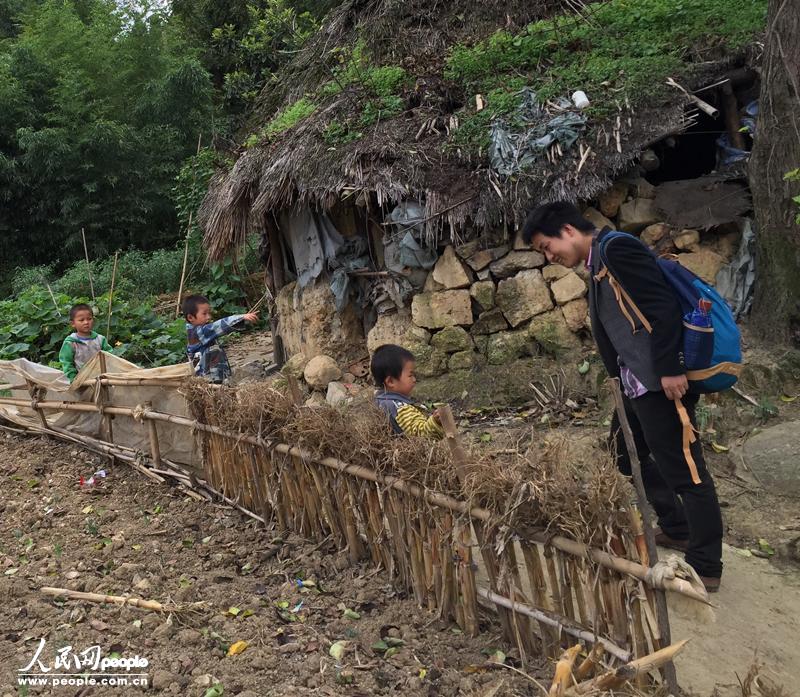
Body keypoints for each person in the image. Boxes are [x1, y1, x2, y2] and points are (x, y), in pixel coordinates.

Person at [521, 201, 723, 591]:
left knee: (687, 471)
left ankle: (706, 563)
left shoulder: (618, 249)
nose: (549, 256)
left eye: (547, 246)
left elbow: (662, 309)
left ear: (567, 230)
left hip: (659, 382)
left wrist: (670, 369)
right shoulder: (598, 262)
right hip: (634, 385)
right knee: (624, 454)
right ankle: (676, 527)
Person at [371, 344, 444, 439]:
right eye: (410, 375)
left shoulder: (379, 401)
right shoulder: (401, 409)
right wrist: (435, 421)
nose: (414, 379)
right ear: (390, 381)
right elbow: (421, 436)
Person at [182, 294, 258, 384]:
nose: (208, 317)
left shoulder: (197, 331)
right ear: (190, 317)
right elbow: (218, 326)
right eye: (204, 314)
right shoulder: (198, 333)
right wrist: (240, 318)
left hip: (209, 379)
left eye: (209, 313)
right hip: (208, 381)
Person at [59, 304, 113, 383]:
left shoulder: (100, 339)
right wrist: (73, 379)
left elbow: (110, 357)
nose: (86, 322)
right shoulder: (71, 343)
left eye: (89, 319)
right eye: (81, 320)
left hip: (101, 379)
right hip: (81, 381)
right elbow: (67, 363)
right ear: (73, 323)